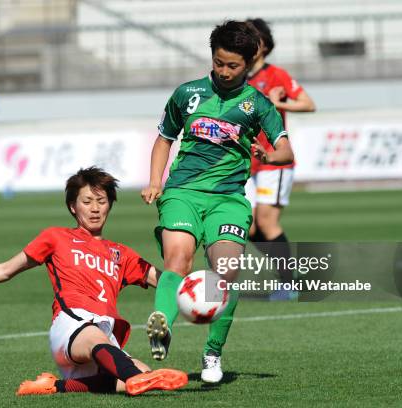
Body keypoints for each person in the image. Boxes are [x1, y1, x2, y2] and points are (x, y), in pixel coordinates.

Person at [0, 167, 187, 396]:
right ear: (72, 206)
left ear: (110, 205)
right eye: (87, 201)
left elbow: (168, 282)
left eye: (101, 201)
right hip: (72, 325)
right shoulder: (56, 238)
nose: (95, 209)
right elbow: (5, 270)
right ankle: (132, 377)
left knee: (142, 372)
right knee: (116, 360)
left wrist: (217, 289)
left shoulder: (122, 254)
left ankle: (55, 386)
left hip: (104, 337)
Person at [141, 21, 294, 383]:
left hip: (228, 199)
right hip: (182, 192)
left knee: (224, 272)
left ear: (249, 62)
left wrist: (268, 156)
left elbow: (285, 148)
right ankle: (162, 327)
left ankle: (212, 353)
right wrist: (154, 182)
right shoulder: (187, 93)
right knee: (177, 259)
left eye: (233, 66)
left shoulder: (257, 104)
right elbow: (164, 138)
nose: (224, 72)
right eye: (219, 62)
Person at [244, 18, 316, 301]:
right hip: (247, 163)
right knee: (246, 224)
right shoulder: (239, 78)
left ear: (262, 45)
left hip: (275, 160)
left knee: (267, 221)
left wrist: (278, 103)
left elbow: (308, 104)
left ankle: (289, 283)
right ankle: (288, 271)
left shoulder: (276, 75)